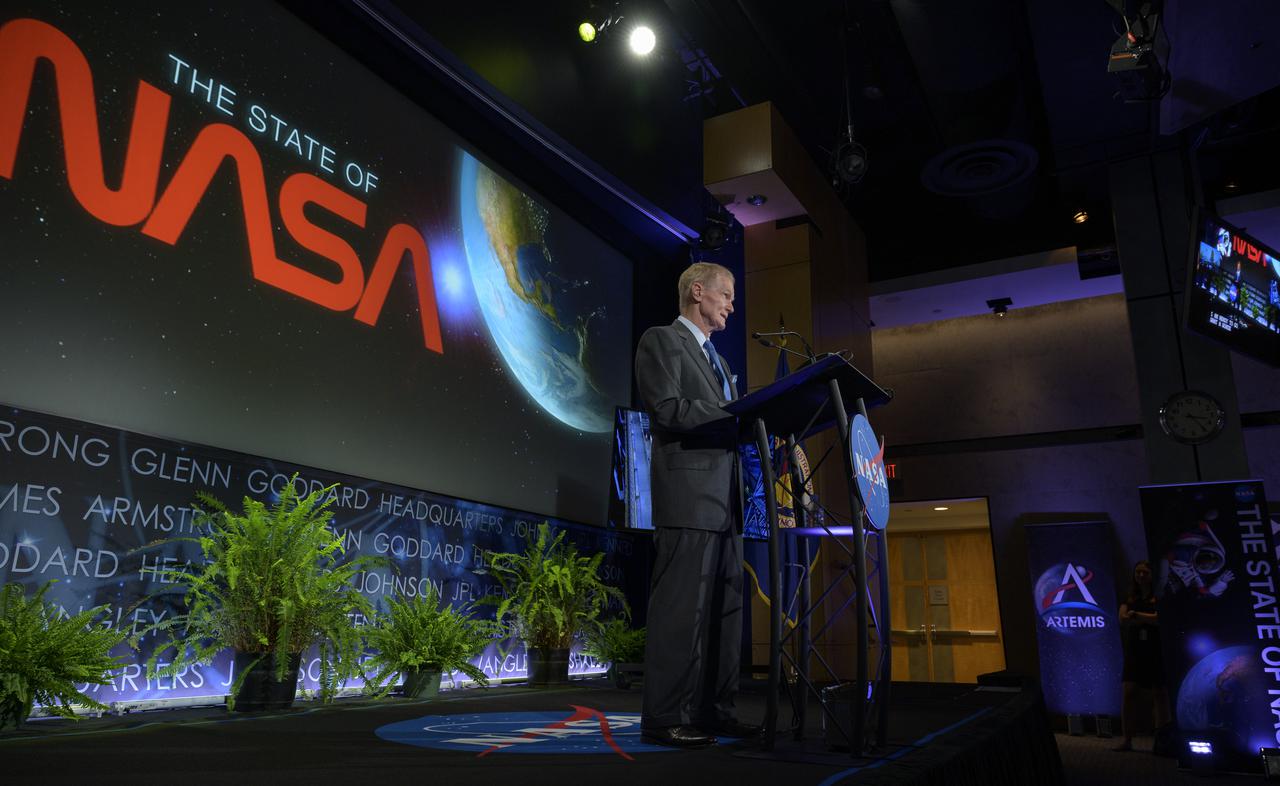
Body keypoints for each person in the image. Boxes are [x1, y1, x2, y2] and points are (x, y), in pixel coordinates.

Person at [634, 261, 760, 748]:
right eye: (726, 294)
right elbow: (668, 409)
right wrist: (737, 411)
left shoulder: (721, 363)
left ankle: (714, 710)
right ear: (698, 292)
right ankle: (665, 716)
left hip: (726, 503)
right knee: (680, 612)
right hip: (688, 498)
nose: (732, 304)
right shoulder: (662, 340)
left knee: (725, 613)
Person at [1113, 560, 1170, 752]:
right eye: (1138, 572)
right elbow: (1122, 618)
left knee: (1159, 694)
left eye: (1145, 572)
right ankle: (1127, 739)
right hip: (1135, 650)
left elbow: (1160, 620)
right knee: (1129, 693)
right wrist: (1139, 617)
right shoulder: (1130, 596)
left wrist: (1137, 616)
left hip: (1155, 649)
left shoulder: (1160, 595)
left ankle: (1161, 740)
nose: (1141, 576)